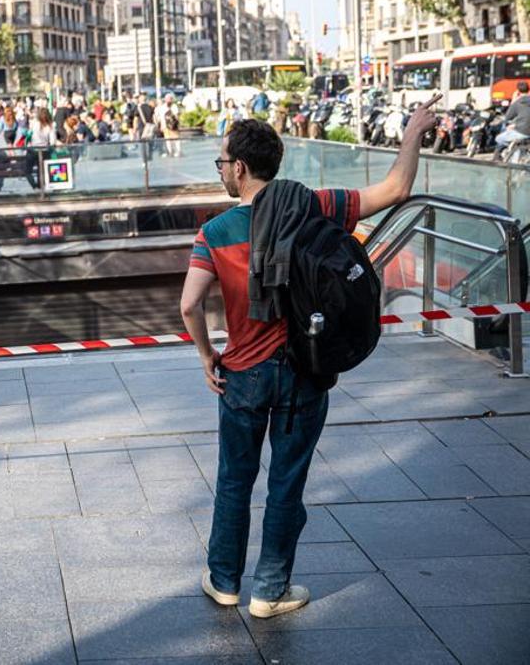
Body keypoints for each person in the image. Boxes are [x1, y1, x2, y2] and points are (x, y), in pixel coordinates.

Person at [180, 101, 440, 619]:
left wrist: (208, 355)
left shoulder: (215, 232)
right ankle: (269, 592)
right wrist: (412, 132)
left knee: (235, 479)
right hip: (304, 370)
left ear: (239, 168)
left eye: (221, 162)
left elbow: (189, 304)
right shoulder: (314, 205)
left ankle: (225, 581)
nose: (221, 171)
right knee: (287, 482)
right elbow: (394, 191)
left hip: (244, 376)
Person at [494, 80, 530, 157]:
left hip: (521, 131)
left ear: (518, 91)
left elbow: (508, 117)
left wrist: (513, 100)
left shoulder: (518, 102)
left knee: (499, 138)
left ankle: (514, 149)